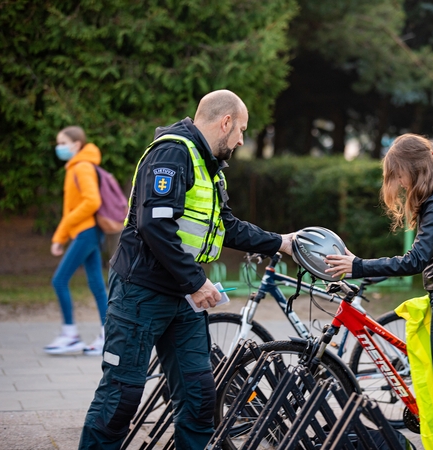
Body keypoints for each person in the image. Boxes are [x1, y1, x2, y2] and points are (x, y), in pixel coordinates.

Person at [78, 90, 294, 450]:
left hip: (181, 294)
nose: (242, 139)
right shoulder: (173, 153)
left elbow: (227, 226)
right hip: (141, 291)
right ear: (224, 122)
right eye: (241, 129)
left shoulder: (210, 169)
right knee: (121, 399)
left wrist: (281, 242)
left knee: (198, 399)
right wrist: (195, 282)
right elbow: (154, 225)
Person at [325, 133, 433, 450]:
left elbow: (414, 261)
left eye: (398, 172)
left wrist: (357, 265)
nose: (398, 181)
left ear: (413, 167)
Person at [45, 126, 108, 356]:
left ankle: (70, 335)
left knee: (59, 280)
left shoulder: (81, 167)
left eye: (62, 143)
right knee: (96, 285)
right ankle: (108, 335)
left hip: (86, 232)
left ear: (76, 145)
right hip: (87, 231)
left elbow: (91, 202)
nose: (58, 147)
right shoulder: (78, 166)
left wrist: (59, 236)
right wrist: (62, 235)